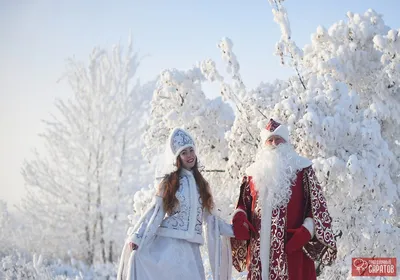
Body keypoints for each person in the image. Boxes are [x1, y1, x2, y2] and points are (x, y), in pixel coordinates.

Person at [117, 127, 234, 280]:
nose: (189, 155)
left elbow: (210, 218)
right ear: (177, 157)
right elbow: (156, 213)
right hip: (170, 247)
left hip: (191, 251)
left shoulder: (202, 185)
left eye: (191, 150)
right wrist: (138, 238)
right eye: (184, 153)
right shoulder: (170, 182)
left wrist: (233, 230)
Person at [230, 119, 337, 280]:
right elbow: (243, 205)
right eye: (270, 140)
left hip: (292, 251)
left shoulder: (303, 170)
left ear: (286, 142)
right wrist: (239, 218)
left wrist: (306, 231)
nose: (274, 144)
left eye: (278, 139)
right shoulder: (252, 174)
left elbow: (318, 207)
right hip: (259, 254)